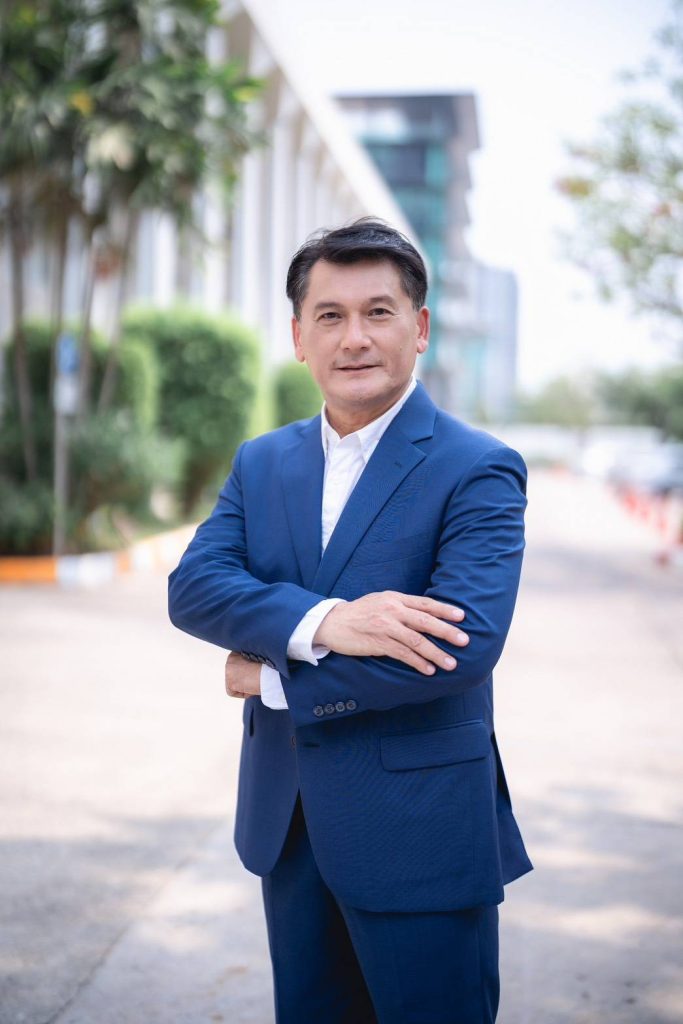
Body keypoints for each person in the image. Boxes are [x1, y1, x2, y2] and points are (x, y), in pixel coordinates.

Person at [168, 218, 532, 1024]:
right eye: (329, 315)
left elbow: (459, 646)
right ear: (299, 336)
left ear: (420, 328)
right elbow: (194, 587)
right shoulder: (262, 460)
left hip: (419, 829)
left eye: (378, 312)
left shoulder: (476, 466)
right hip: (288, 825)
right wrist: (327, 621)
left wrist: (269, 677)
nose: (354, 337)